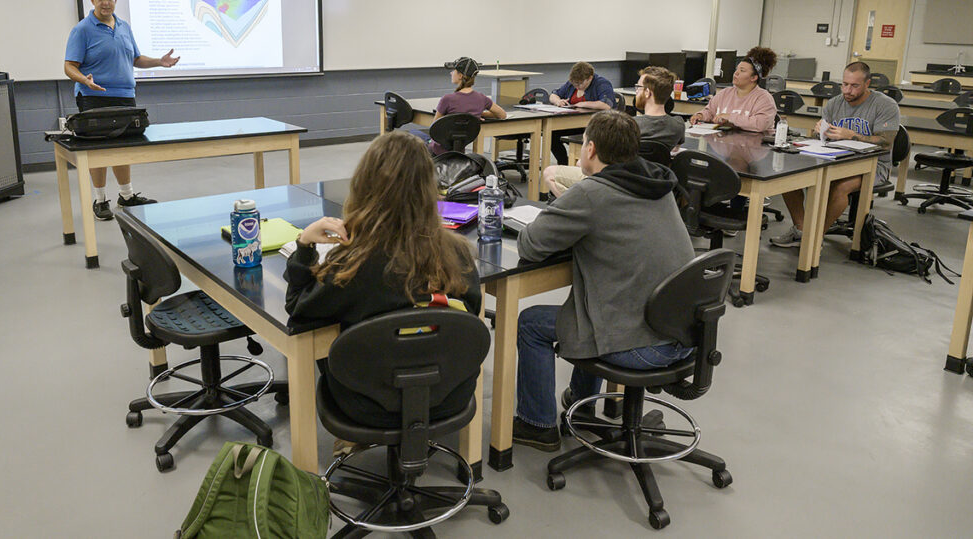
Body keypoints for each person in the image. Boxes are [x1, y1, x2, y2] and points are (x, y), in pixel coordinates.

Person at [511, 110, 695, 451]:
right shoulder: (658, 182)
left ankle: (537, 424)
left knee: (531, 323)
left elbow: (531, 245)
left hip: (642, 344)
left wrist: (563, 205)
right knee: (591, 305)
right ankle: (582, 406)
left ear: (591, 149)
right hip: (685, 332)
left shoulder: (591, 194)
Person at [284, 131, 482, 428]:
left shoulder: (354, 264)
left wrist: (304, 246)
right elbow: (471, 317)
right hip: (449, 395)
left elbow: (298, 310)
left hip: (366, 404)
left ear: (365, 187)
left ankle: (351, 438)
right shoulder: (458, 254)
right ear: (429, 189)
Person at [63, 0, 180, 221]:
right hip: (94, 97)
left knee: (123, 148)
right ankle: (100, 200)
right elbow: (69, 66)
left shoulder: (124, 26)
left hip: (125, 97)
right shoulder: (82, 30)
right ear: (92, 0)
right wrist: (84, 80)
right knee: (98, 151)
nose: (105, 3)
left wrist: (159, 61)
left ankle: (126, 196)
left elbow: (136, 59)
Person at [770, 61, 900, 247]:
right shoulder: (835, 103)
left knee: (840, 186)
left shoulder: (885, 105)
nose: (847, 90)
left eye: (854, 86)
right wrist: (819, 131)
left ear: (867, 84)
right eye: (844, 84)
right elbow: (821, 137)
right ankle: (801, 230)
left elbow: (886, 142)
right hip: (835, 159)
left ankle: (815, 239)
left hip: (874, 166)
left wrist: (852, 135)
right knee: (790, 177)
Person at [542, 66, 684, 198]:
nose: (636, 91)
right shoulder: (678, 124)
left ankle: (579, 207)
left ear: (647, 93)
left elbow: (595, 163)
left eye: (638, 87)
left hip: (614, 182)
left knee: (551, 173)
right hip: (652, 184)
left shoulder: (626, 126)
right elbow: (674, 149)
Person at [425, 56, 507, 155]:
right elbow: (502, 115)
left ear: (460, 75)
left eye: (454, 71)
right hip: (460, 151)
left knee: (417, 135)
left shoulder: (447, 99)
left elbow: (434, 130)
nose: (451, 73)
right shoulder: (482, 98)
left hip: (437, 151)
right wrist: (477, 114)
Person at [689, 46, 778, 134]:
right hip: (725, 139)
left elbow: (760, 124)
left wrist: (730, 117)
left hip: (754, 142)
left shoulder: (764, 98)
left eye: (742, 70)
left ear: (754, 77)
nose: (736, 73)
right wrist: (700, 115)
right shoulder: (724, 93)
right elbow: (709, 111)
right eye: (736, 69)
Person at [548, 61, 616, 165]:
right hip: (573, 123)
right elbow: (553, 95)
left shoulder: (602, 84)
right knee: (551, 134)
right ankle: (563, 162)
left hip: (594, 125)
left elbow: (606, 105)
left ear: (590, 78)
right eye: (575, 84)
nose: (577, 86)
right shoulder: (571, 84)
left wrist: (583, 104)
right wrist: (558, 101)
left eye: (580, 83)